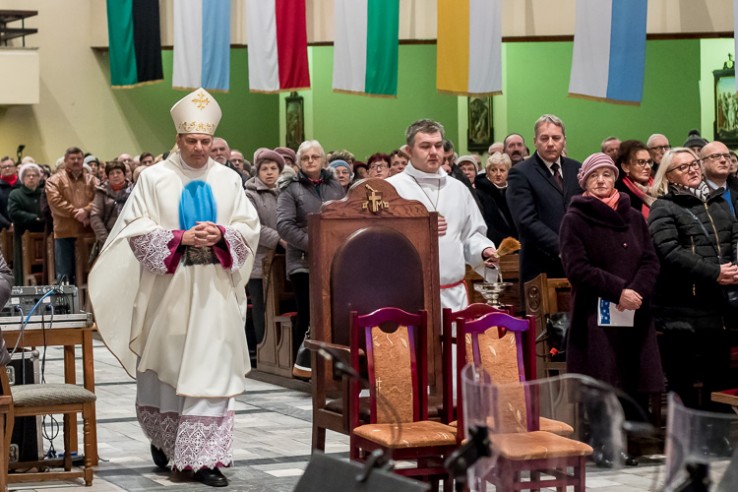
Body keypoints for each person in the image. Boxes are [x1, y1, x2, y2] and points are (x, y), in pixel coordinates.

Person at [88, 88, 261, 488]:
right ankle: (165, 441)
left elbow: (248, 227)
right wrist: (180, 238)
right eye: (192, 140)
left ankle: (203, 460)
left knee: (212, 370)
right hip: (170, 292)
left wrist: (222, 234)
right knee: (167, 369)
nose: (199, 148)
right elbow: (136, 229)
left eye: (205, 141)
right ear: (178, 139)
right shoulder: (153, 178)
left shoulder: (229, 179)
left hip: (215, 294)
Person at [560, 153, 663, 466]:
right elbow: (577, 268)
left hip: (634, 311)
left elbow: (650, 260)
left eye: (607, 174)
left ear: (615, 178)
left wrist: (636, 291)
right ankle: (603, 444)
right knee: (602, 378)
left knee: (631, 375)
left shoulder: (633, 216)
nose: (602, 180)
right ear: (584, 182)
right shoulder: (575, 218)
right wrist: (619, 290)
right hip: (595, 312)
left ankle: (626, 442)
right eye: (595, 175)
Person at [648, 147, 738, 411]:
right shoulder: (663, 207)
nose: (692, 169)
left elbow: (734, 239)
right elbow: (669, 251)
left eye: (694, 164)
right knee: (684, 381)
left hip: (716, 305)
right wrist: (715, 273)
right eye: (683, 167)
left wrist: (734, 268)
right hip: (681, 308)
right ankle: (687, 432)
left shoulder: (719, 202)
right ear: (669, 175)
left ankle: (716, 430)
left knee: (718, 378)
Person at [387, 119, 497, 310]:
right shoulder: (392, 189)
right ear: (409, 151)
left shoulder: (458, 189)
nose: (433, 152)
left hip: (453, 296)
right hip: (408, 296)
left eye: (438, 145)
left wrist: (483, 250)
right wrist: (419, 229)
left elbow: (470, 235)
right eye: (425, 146)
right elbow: (381, 239)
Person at [277, 140, 345, 379]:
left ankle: (331, 366)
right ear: (298, 162)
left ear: (323, 160)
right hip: (303, 261)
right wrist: (314, 244)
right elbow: (284, 225)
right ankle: (303, 367)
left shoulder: (335, 186)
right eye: (305, 158)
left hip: (333, 260)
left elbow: (343, 217)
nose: (311, 161)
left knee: (334, 313)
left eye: (315, 157)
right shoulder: (290, 188)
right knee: (308, 313)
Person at [507, 114, 582, 283]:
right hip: (540, 267)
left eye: (556, 138)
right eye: (544, 138)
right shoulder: (520, 173)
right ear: (535, 141)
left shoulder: (577, 169)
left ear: (564, 140)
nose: (550, 143)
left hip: (577, 266)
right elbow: (525, 221)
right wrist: (562, 247)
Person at [245, 148, 286, 351]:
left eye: (273, 168)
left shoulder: (286, 191)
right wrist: (280, 239)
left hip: (284, 260)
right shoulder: (249, 194)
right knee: (262, 307)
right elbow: (253, 226)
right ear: (257, 171)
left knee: (282, 306)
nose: (269, 173)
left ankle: (283, 350)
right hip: (260, 262)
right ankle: (264, 350)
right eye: (264, 169)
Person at [45, 146, 97, 284]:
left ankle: (87, 299)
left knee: (90, 274)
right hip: (64, 232)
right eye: (72, 158)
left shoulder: (92, 180)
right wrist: (76, 213)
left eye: (79, 158)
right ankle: (65, 299)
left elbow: (100, 198)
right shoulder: (54, 180)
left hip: (88, 232)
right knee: (65, 275)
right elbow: (55, 202)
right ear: (66, 160)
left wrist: (86, 210)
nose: (76, 161)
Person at [7, 163, 45, 285]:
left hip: (43, 234)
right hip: (23, 234)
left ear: (39, 178)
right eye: (28, 175)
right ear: (22, 179)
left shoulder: (44, 193)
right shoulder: (16, 194)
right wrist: (33, 218)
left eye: (34, 175)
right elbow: (13, 212)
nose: (31, 178)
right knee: (23, 263)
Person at [475, 152, 517, 246]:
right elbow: (484, 224)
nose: (498, 174)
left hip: (516, 245)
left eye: (502, 170)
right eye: (493, 170)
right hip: (492, 245)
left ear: (508, 172)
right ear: (487, 171)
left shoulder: (514, 192)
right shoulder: (479, 194)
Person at [90, 160, 133, 245]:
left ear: (124, 175)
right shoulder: (101, 191)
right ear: (108, 176)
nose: (115, 175)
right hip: (108, 237)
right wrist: (106, 239)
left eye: (118, 172)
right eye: (112, 173)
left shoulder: (133, 190)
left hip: (130, 237)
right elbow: (95, 216)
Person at [615, 140, 656, 218]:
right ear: (626, 167)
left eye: (649, 162)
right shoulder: (618, 194)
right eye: (641, 162)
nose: (648, 167)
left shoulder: (660, 187)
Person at [701, 140, 738, 219]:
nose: (723, 160)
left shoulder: (735, 192)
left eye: (726, 156)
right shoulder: (694, 197)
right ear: (702, 163)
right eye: (715, 156)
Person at [0, 156, 20, 232]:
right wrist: (8, 225)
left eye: (9, 166)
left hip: (23, 228)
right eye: (4, 167)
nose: (7, 168)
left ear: (15, 168)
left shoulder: (22, 185)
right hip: (3, 230)